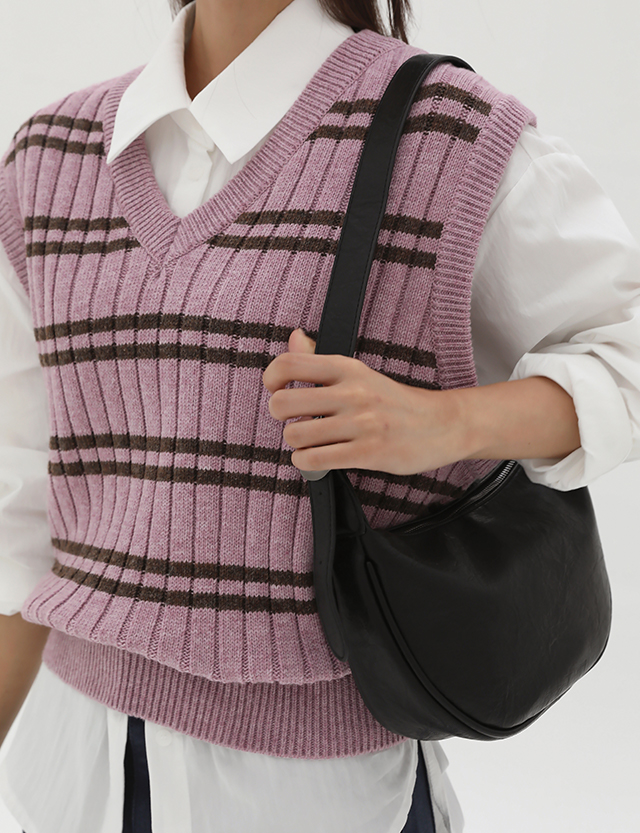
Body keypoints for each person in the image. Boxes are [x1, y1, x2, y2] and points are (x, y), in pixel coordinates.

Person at [0, 0, 639, 831]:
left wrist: (444, 424)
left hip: (315, 796)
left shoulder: (445, 137)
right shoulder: (49, 159)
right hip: (69, 774)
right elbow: (21, 518)